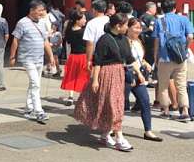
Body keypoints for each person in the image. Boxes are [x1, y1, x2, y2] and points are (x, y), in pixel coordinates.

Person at [74, 13, 135, 152]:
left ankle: (105, 134)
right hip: (106, 74)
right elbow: (98, 61)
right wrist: (95, 80)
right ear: (118, 26)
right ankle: (119, 138)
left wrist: (140, 73)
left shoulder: (124, 39)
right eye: (125, 25)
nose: (127, 27)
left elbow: (130, 58)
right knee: (114, 105)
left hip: (119, 73)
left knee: (113, 103)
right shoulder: (104, 40)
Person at [9, 0, 55, 124]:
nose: (42, 13)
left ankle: (28, 108)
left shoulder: (42, 23)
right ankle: (39, 111)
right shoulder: (22, 23)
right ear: (32, 10)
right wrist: (12, 57)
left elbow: (45, 41)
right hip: (27, 58)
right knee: (35, 83)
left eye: (43, 10)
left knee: (34, 83)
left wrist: (50, 57)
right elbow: (15, 40)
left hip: (39, 58)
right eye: (39, 10)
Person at [152, 0, 193, 122]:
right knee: (181, 85)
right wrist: (185, 49)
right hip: (180, 58)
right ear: (175, 8)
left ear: (162, 9)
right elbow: (190, 36)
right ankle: (185, 111)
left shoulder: (160, 21)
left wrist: (155, 56)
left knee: (163, 85)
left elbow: (157, 40)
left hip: (164, 58)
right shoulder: (184, 19)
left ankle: (165, 111)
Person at [125, 18, 163, 142]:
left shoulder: (139, 41)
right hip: (127, 75)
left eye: (140, 28)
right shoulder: (124, 41)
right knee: (120, 103)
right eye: (135, 27)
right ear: (128, 28)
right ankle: (112, 129)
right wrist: (137, 71)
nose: (138, 30)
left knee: (145, 102)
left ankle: (148, 131)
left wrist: (145, 63)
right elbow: (128, 60)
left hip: (139, 76)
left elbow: (139, 57)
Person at [61, 9, 88, 106]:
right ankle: (82, 97)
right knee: (84, 77)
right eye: (83, 19)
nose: (85, 20)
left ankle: (71, 97)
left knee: (72, 77)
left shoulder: (69, 30)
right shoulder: (83, 32)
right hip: (83, 57)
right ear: (77, 20)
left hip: (73, 57)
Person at [83, 0, 109, 72]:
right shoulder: (110, 20)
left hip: (97, 56)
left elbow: (90, 43)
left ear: (94, 9)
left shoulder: (91, 23)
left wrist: (88, 60)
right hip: (110, 55)